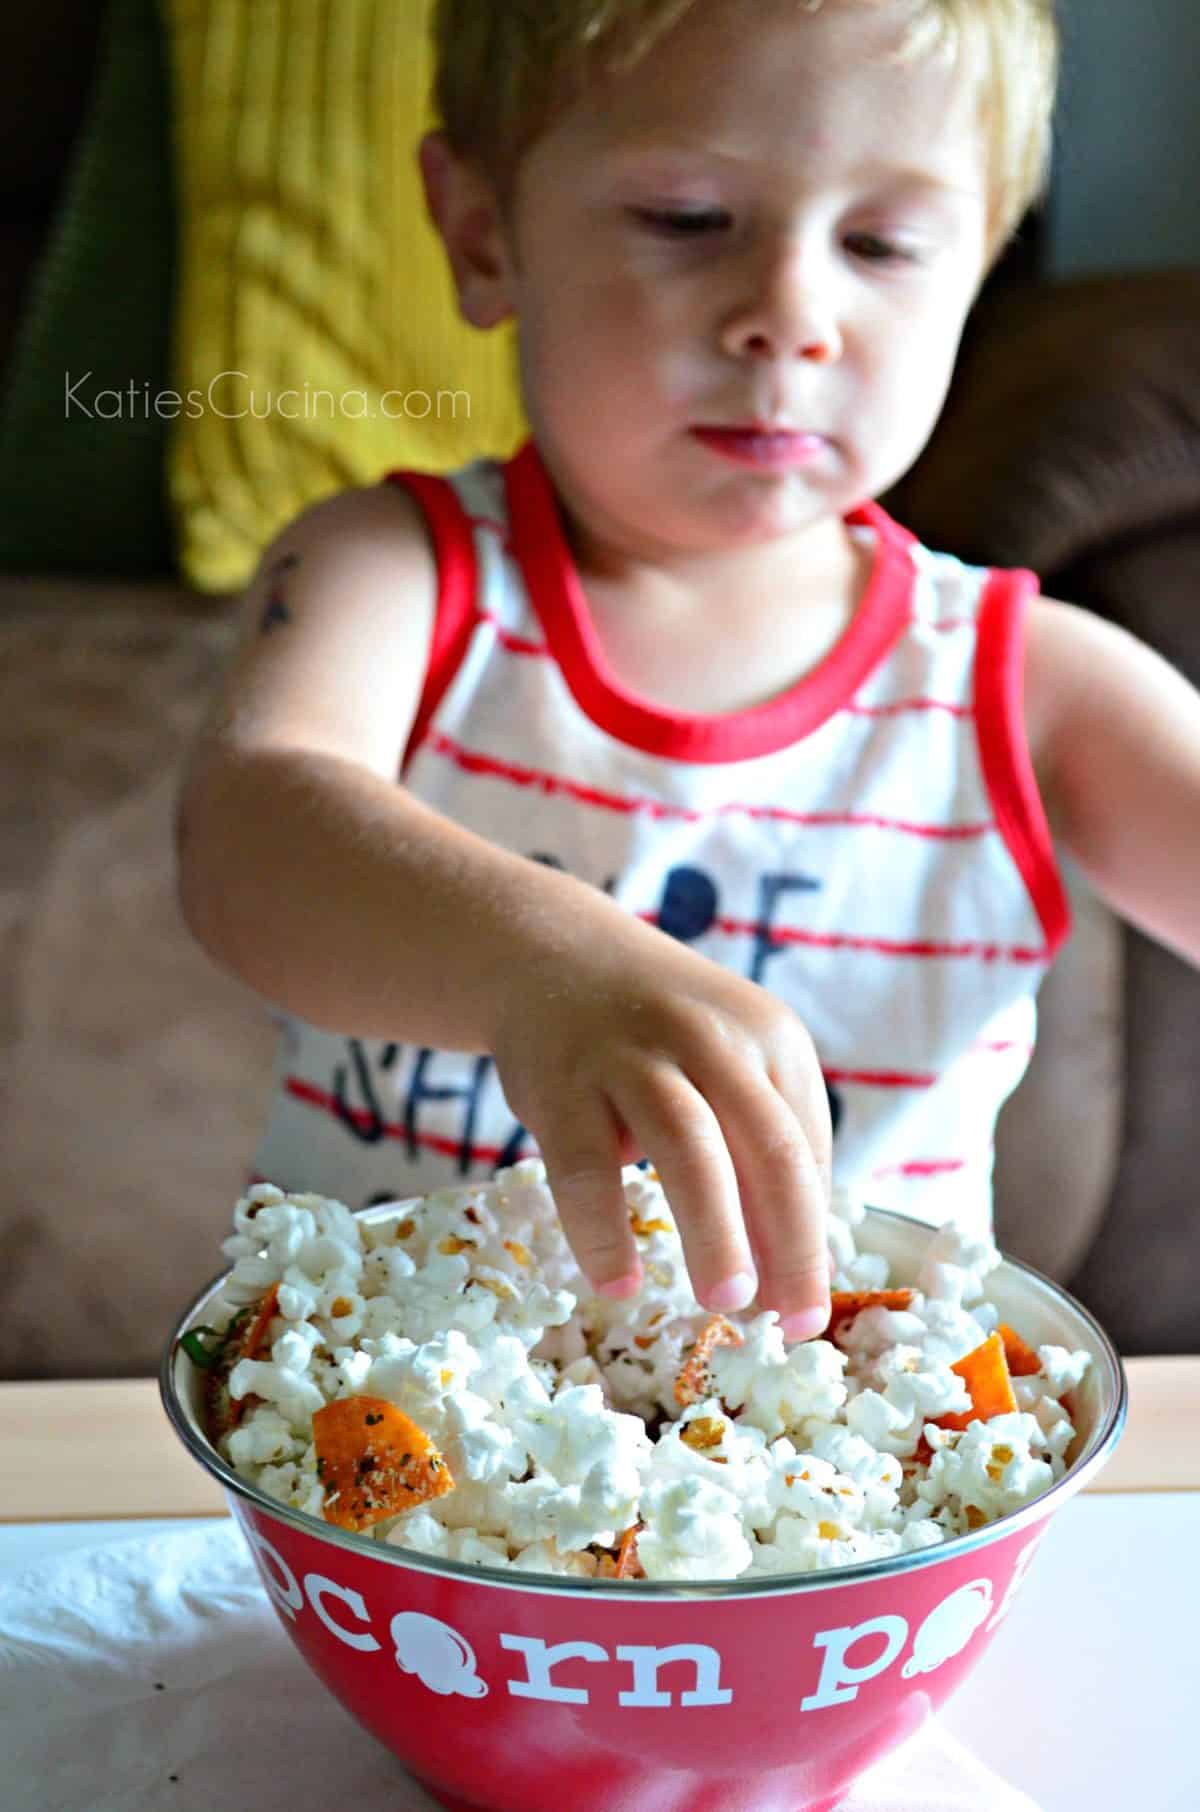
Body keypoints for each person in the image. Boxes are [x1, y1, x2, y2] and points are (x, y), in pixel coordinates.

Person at [176, 0, 1200, 1346]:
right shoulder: (397, 576)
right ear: (486, 234)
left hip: (841, 1489)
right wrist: (541, 968)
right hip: (395, 1452)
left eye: (884, 244)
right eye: (687, 219)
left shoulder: (1026, 685)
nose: (789, 314)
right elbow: (247, 835)